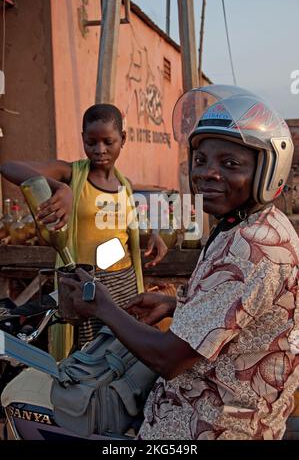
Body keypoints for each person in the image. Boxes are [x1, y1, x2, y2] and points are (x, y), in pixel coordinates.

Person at [59, 86, 299, 440]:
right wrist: (175, 304)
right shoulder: (247, 225)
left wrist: (102, 306)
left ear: (268, 172)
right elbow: (241, 312)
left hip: (209, 427)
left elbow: (169, 360)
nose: (207, 174)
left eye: (229, 164)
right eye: (201, 160)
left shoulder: (253, 248)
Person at [0, 103, 167, 352]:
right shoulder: (70, 174)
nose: (99, 150)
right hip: (87, 287)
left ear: (123, 139)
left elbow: (121, 232)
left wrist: (152, 237)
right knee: (86, 354)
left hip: (124, 284)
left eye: (108, 142)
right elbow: (8, 167)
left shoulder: (125, 185)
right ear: (83, 140)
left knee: (120, 353)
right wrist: (59, 187)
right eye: (91, 142)